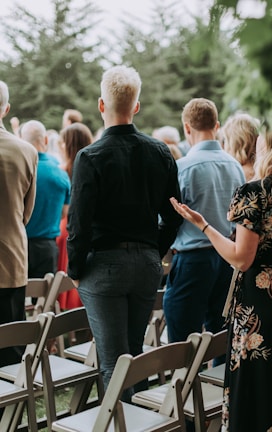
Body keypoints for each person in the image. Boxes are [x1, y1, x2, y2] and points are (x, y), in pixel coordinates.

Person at [170, 113, 272, 432]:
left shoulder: (253, 193)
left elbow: (242, 259)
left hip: (260, 310)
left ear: (268, 145)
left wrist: (203, 225)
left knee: (257, 389)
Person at [66, 65, 182, 401]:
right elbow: (175, 216)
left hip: (104, 266)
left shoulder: (90, 157)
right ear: (136, 106)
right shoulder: (160, 152)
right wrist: (152, 250)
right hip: (145, 265)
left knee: (114, 364)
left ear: (101, 105)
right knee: (135, 357)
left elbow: (79, 224)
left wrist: (75, 270)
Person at [163, 97, 246, 349]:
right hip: (225, 258)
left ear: (187, 128)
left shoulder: (182, 168)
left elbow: (168, 218)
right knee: (222, 339)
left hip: (192, 261)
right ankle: (220, 387)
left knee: (181, 343)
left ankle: (185, 388)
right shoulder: (235, 167)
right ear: (217, 125)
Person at [0, 80, 38, 367]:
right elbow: (27, 213)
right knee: (10, 346)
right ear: (6, 109)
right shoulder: (26, 150)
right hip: (11, 258)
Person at [21, 120, 71, 280]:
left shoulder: (19, 170)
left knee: (15, 300)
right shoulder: (60, 173)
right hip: (47, 247)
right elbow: (64, 213)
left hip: (19, 245)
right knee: (43, 301)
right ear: (46, 140)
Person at [56, 122, 93, 311]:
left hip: (65, 228)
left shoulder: (61, 170)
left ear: (67, 145)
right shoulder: (93, 167)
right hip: (89, 229)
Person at [221, 111, 260, 181]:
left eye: (225, 140)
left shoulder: (235, 176)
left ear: (235, 144)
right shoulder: (264, 171)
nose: (224, 145)